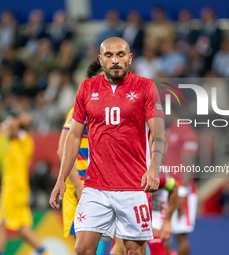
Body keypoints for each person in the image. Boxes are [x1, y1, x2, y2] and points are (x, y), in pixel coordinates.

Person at [49, 37, 165, 255]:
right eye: (109, 55)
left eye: (120, 55)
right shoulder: (86, 88)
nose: (115, 60)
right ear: (100, 60)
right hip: (96, 186)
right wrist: (61, 179)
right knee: (82, 248)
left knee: (134, 251)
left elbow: (158, 134)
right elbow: (73, 137)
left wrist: (154, 168)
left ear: (130, 58)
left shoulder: (145, 87)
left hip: (133, 185)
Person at [0, 111, 50, 255]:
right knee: (22, 230)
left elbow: (9, 127)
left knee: (0, 225)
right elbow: (2, 128)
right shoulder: (15, 140)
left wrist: (17, 118)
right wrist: (15, 118)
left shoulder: (24, 139)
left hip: (14, 191)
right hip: (16, 191)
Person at [57, 61, 103, 238]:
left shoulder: (111, 112)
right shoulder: (78, 110)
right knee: (84, 245)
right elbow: (62, 150)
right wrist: (78, 185)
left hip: (103, 185)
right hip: (82, 184)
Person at [110, 177, 178, 255]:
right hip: (133, 220)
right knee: (121, 245)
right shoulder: (121, 176)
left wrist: (167, 222)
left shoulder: (150, 176)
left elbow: (174, 186)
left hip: (154, 226)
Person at [163, 104, 198, 255]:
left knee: (180, 234)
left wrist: (182, 193)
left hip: (181, 189)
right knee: (162, 233)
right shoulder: (164, 131)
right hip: (165, 188)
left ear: (171, 111)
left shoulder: (185, 131)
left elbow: (189, 166)